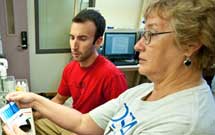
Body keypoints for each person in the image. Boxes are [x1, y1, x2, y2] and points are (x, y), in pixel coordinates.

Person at [3, 0, 215, 134]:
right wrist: (35, 100)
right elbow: (83, 123)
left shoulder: (185, 124)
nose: (137, 45)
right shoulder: (143, 91)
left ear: (190, 44)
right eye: (72, 37)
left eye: (151, 34)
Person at [34, 9, 128, 135]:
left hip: (92, 130)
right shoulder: (70, 68)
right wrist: (34, 114)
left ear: (98, 41)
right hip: (73, 121)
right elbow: (59, 99)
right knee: (34, 125)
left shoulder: (113, 76)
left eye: (82, 39)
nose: (74, 45)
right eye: (72, 38)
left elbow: (122, 120)